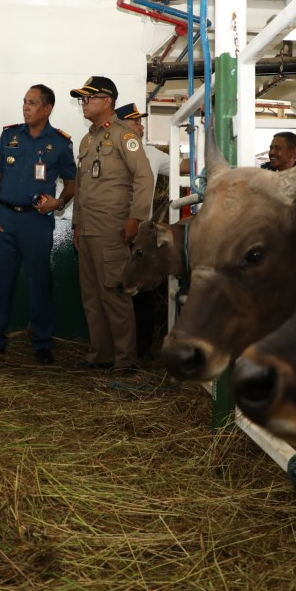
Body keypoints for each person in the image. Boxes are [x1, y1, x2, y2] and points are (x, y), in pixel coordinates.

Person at [0, 84, 76, 364]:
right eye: (24, 101)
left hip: (37, 222)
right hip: (4, 218)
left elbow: (72, 184)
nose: (25, 107)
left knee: (40, 283)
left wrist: (59, 203)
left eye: (32, 103)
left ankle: (43, 343)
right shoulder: (9, 135)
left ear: (47, 109)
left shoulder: (60, 143)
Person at [70, 76, 154, 371]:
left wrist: (135, 218)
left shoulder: (123, 135)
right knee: (92, 297)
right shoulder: (88, 139)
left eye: (88, 98)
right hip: (88, 229)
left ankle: (125, 361)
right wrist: (77, 224)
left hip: (112, 229)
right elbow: (81, 186)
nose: (83, 103)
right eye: (82, 99)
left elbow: (144, 177)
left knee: (114, 295)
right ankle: (101, 356)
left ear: (107, 101)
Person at [116, 102, 168, 361]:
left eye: (140, 122)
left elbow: (182, 166)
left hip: (141, 236)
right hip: (112, 231)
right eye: (135, 122)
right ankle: (118, 347)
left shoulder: (151, 153)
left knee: (143, 291)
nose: (141, 126)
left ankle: (142, 347)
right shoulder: (110, 151)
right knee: (115, 289)